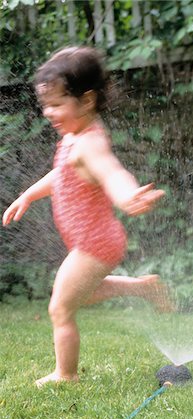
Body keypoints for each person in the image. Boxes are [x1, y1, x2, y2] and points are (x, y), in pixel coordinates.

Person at [2, 46, 173, 387]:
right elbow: (62, 176)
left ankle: (66, 374)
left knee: (60, 308)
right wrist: (29, 194)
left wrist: (127, 196)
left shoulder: (89, 144)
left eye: (57, 104)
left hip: (95, 243)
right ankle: (143, 288)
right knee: (86, 293)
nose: (48, 112)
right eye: (45, 105)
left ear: (88, 100)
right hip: (93, 241)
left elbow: (111, 172)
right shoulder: (73, 136)